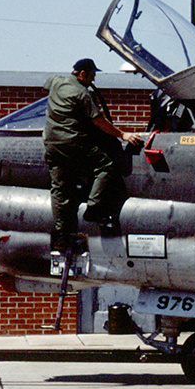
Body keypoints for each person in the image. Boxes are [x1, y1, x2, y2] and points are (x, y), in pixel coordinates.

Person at [44, 58, 143, 248]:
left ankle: (62, 234)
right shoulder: (82, 94)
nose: (93, 79)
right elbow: (99, 121)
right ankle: (93, 208)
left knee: (59, 189)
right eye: (92, 75)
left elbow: (46, 85)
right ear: (82, 74)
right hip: (73, 143)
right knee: (106, 165)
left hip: (51, 144)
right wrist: (123, 134)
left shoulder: (56, 81)